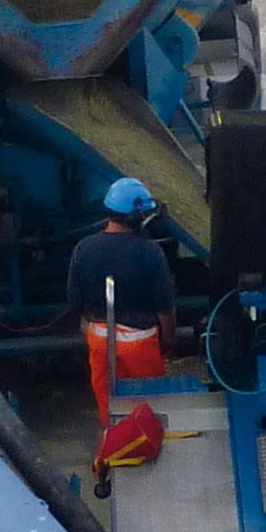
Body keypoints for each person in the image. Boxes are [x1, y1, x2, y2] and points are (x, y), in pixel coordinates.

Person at [66, 180, 178, 423]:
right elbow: (164, 307)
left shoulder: (83, 249)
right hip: (140, 344)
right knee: (149, 407)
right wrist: (169, 338)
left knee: (110, 409)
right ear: (133, 216)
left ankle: (117, 443)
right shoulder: (150, 252)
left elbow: (74, 303)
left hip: (99, 340)